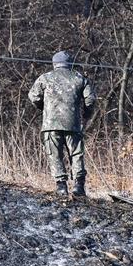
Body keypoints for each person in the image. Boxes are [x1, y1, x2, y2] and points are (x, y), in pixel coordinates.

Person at [28, 51, 96, 197]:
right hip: (73, 124)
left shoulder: (45, 78)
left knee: (54, 155)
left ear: (54, 64)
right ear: (70, 63)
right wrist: (86, 114)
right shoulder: (80, 79)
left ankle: (61, 186)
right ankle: (79, 185)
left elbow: (33, 96)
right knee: (76, 153)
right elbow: (90, 99)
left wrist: (43, 108)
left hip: (50, 125)